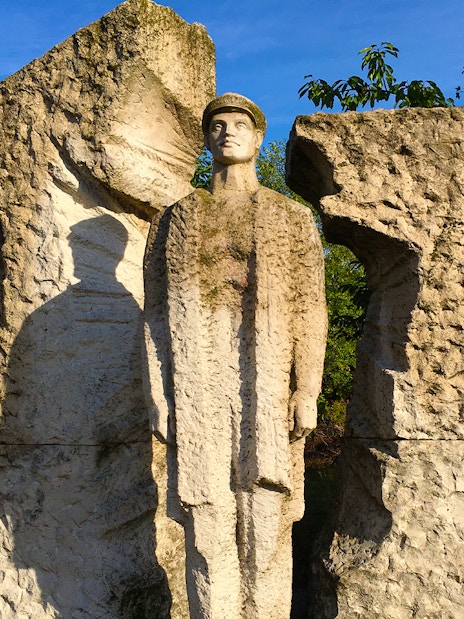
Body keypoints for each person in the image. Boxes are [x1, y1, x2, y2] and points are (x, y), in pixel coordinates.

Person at [143, 93, 327, 619]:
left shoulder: (288, 217)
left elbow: (311, 309)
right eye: (216, 124)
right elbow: (155, 314)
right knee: (206, 518)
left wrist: (307, 389)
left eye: (239, 124)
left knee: (266, 515)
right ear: (205, 139)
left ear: (258, 137)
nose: (227, 132)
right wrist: (157, 391)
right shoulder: (176, 219)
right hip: (198, 377)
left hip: (266, 379)